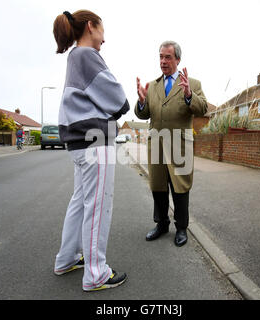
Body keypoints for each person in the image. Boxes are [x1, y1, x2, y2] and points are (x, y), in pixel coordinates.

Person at [52, 10, 129, 291]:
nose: (104, 39)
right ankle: (96, 273)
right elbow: (119, 100)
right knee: (98, 206)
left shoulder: (74, 56)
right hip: (95, 142)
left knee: (80, 201)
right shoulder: (86, 55)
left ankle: (67, 258)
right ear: (90, 26)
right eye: (101, 30)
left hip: (79, 142)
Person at [135, 41, 208, 247]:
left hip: (180, 146)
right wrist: (141, 101)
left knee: (180, 188)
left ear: (177, 59)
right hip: (156, 145)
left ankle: (182, 228)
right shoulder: (153, 86)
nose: (163, 61)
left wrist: (188, 95)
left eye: (167, 57)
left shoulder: (193, 84)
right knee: (158, 187)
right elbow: (143, 113)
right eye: (160, 57)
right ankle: (161, 224)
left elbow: (202, 109)